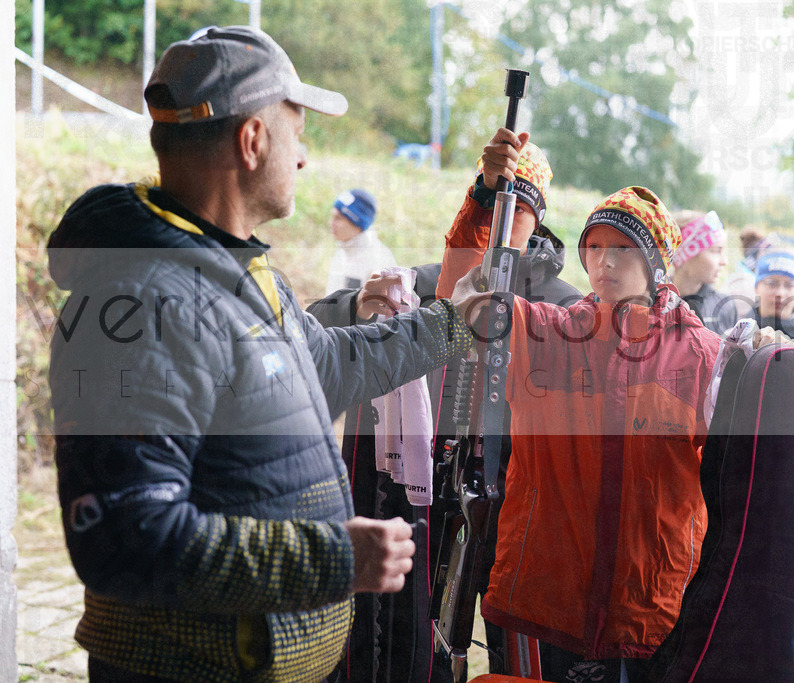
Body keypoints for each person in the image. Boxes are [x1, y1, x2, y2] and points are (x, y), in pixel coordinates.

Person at [46, 26, 475, 682]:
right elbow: (125, 536)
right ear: (252, 140)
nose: (303, 158)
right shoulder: (142, 300)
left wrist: (455, 325)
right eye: (297, 133)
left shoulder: (233, 270)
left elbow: (327, 365)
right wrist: (335, 559)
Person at [440, 135, 791, 680]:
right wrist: (488, 198)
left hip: (648, 616)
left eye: (622, 249)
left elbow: (757, 479)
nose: (604, 261)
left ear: (655, 263)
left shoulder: (704, 357)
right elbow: (461, 298)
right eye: (594, 248)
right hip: (543, 602)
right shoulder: (546, 333)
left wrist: (778, 362)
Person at [306, 132, 581, 682]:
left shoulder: (567, 308)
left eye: (520, 209)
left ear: (538, 217)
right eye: (497, 206)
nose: (506, 224)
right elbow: (320, 331)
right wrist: (362, 307)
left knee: (519, 652)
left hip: (521, 507)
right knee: (408, 641)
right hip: (425, 500)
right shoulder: (428, 284)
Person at [718, 250, 794, 354]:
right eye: (772, 283)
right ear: (756, 287)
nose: (780, 293)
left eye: (789, 285)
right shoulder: (735, 340)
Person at [669, 209, 733, 334]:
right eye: (716, 251)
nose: (724, 261)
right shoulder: (653, 303)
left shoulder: (724, 306)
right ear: (687, 254)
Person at [325, 188, 398, 294]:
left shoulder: (380, 261)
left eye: (339, 218)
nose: (331, 223)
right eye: (332, 216)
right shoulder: (342, 252)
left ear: (357, 224)